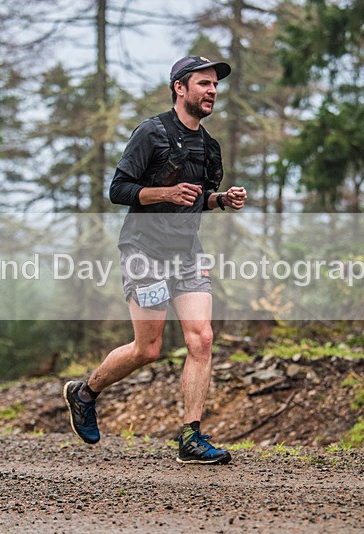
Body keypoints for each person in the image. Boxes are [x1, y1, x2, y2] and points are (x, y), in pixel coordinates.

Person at [63, 55, 247, 464]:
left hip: (187, 253)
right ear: (180, 88)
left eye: (215, 85)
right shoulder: (151, 132)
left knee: (202, 338)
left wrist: (221, 199)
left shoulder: (210, 146)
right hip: (144, 252)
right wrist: (165, 193)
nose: (212, 91)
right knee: (148, 349)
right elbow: (118, 190)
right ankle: (85, 393)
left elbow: (198, 198)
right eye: (204, 83)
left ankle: (190, 437)